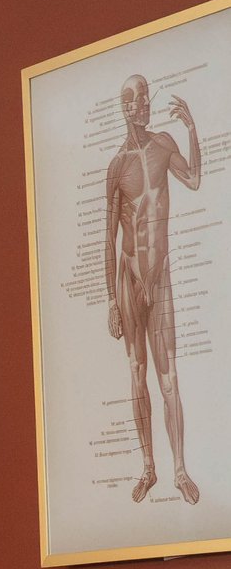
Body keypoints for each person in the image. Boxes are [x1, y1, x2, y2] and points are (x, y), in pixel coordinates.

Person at [104, 72, 204, 505]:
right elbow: (108, 238)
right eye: (135, 97)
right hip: (129, 279)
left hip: (159, 275)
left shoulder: (163, 144)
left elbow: (196, 179)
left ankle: (180, 470)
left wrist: (192, 129)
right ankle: (149, 468)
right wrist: (111, 297)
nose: (143, 102)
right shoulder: (116, 167)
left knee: (169, 378)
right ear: (125, 107)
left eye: (145, 95)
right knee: (137, 373)